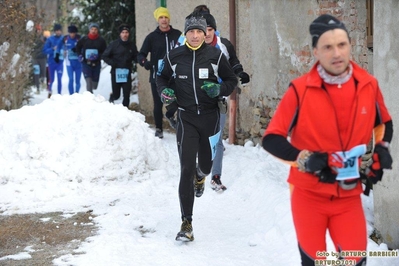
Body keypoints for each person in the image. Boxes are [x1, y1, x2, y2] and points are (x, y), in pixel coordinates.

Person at [262, 14, 393, 266]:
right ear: (315, 52)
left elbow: (383, 123)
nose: (337, 53)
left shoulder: (368, 85)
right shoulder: (299, 90)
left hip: (349, 195)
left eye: (342, 44)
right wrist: (304, 158)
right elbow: (271, 138)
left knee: (355, 260)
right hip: (308, 195)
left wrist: (382, 149)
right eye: (328, 47)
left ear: (350, 46)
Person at [156, 12, 238, 242]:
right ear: (185, 34)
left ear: (205, 34)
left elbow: (231, 81)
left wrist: (220, 90)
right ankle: (187, 223)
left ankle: (201, 176)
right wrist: (165, 91)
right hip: (186, 118)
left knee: (205, 164)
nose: (194, 35)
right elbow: (160, 78)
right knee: (185, 168)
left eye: (199, 32)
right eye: (190, 31)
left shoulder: (215, 55)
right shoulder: (174, 56)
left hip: (210, 118)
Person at [203, 13, 250, 191]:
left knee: (217, 140)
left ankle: (216, 177)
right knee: (199, 139)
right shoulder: (194, 48)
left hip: (219, 98)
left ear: (215, 30)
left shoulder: (224, 45)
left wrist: (240, 74)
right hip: (198, 102)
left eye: (210, 29)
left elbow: (234, 63)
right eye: (204, 30)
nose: (207, 33)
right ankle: (198, 173)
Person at [137, 7, 182, 138]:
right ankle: (159, 128)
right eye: (161, 17)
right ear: (158, 20)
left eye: (166, 17)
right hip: (157, 76)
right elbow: (141, 55)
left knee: (179, 101)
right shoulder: (151, 37)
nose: (164, 20)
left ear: (169, 19)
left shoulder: (177, 34)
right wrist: (145, 63)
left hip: (175, 76)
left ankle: (177, 123)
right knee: (158, 104)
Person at [102, 24, 138, 107]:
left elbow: (135, 56)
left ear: (128, 34)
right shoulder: (114, 44)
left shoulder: (131, 45)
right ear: (120, 34)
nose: (125, 34)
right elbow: (104, 56)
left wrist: (141, 60)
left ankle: (126, 111)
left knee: (126, 94)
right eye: (123, 32)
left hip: (127, 72)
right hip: (116, 72)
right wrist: (112, 63)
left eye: (126, 32)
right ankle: (112, 97)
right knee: (116, 94)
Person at [75, 22, 107, 93]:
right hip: (86, 64)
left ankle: (92, 89)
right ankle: (90, 98)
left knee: (94, 86)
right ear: (89, 30)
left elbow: (105, 51)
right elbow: (77, 47)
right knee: (88, 82)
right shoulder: (84, 39)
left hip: (96, 64)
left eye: (95, 29)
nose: (93, 31)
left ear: (97, 30)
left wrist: (99, 56)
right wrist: (79, 55)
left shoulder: (101, 40)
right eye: (92, 29)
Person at [56, 25, 82, 95]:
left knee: (77, 81)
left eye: (74, 33)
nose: (72, 34)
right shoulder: (65, 39)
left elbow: (84, 47)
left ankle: (76, 94)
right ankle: (71, 94)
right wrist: (57, 55)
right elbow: (58, 46)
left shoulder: (79, 38)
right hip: (69, 63)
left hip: (78, 63)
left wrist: (78, 51)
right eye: (71, 33)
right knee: (71, 79)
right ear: (69, 33)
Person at [42, 23, 64, 97]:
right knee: (51, 79)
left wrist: (65, 51)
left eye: (59, 30)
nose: (58, 32)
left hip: (60, 63)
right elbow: (44, 50)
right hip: (51, 62)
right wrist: (52, 49)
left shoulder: (63, 39)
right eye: (57, 30)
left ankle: (59, 94)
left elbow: (67, 47)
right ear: (54, 31)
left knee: (60, 78)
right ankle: (50, 92)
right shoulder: (50, 39)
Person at [31, 25, 47, 94]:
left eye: (39, 29)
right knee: (36, 73)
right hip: (35, 58)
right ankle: (38, 89)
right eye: (37, 30)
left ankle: (43, 82)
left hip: (43, 57)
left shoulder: (44, 37)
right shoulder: (32, 38)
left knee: (43, 72)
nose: (38, 31)